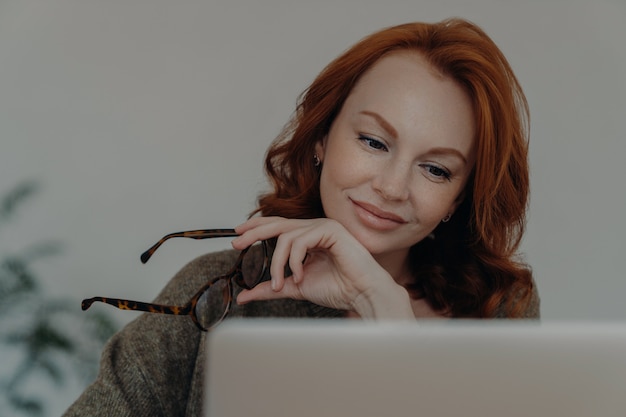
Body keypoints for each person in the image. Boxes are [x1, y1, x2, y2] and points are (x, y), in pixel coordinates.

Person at [64, 18, 539, 416]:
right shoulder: (220, 290)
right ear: (321, 140)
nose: (392, 188)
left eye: (436, 169)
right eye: (374, 142)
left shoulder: (498, 311)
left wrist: (385, 312)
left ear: (458, 197)